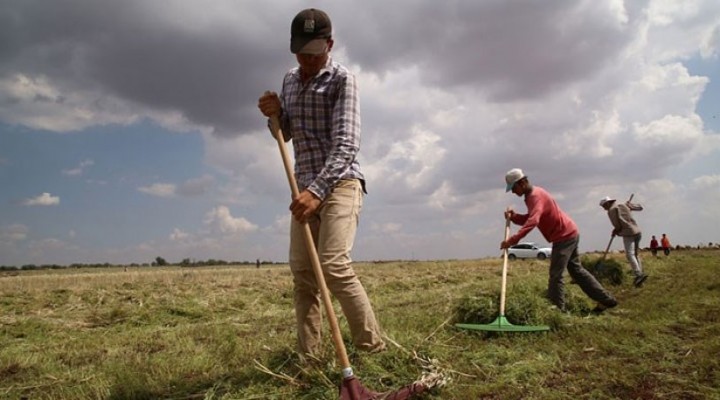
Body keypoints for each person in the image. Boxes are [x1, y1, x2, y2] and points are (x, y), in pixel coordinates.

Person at [257, 8, 385, 357]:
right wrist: (273, 114)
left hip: (341, 183)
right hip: (304, 188)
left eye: (315, 52)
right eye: (301, 52)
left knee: (333, 264)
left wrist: (317, 191)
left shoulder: (343, 80)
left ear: (330, 44)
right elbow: (285, 134)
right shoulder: (289, 79)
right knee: (302, 274)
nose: (308, 60)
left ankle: (372, 348)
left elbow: (346, 144)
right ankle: (308, 358)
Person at [500, 168, 618, 313]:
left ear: (522, 182)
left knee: (556, 275)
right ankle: (607, 300)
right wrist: (514, 217)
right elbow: (530, 218)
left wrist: (512, 240)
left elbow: (533, 221)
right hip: (569, 232)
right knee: (576, 271)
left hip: (564, 236)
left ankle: (557, 310)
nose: (513, 192)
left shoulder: (535, 196)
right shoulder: (532, 196)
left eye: (513, 188)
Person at [599, 196, 648, 287]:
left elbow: (618, 226)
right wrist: (628, 206)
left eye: (604, 206)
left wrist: (616, 230)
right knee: (635, 254)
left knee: (630, 255)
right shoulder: (622, 205)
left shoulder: (611, 210)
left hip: (628, 233)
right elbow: (640, 208)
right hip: (637, 231)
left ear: (608, 203)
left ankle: (638, 274)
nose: (604, 208)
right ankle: (640, 276)